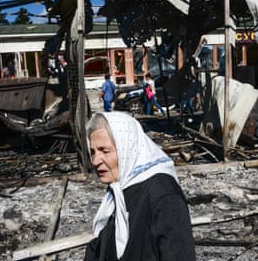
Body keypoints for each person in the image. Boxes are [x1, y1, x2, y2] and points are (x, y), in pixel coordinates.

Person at [84, 112, 196, 261]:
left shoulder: (163, 195)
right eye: (93, 152)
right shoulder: (118, 192)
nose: (95, 161)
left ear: (127, 149)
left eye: (105, 151)